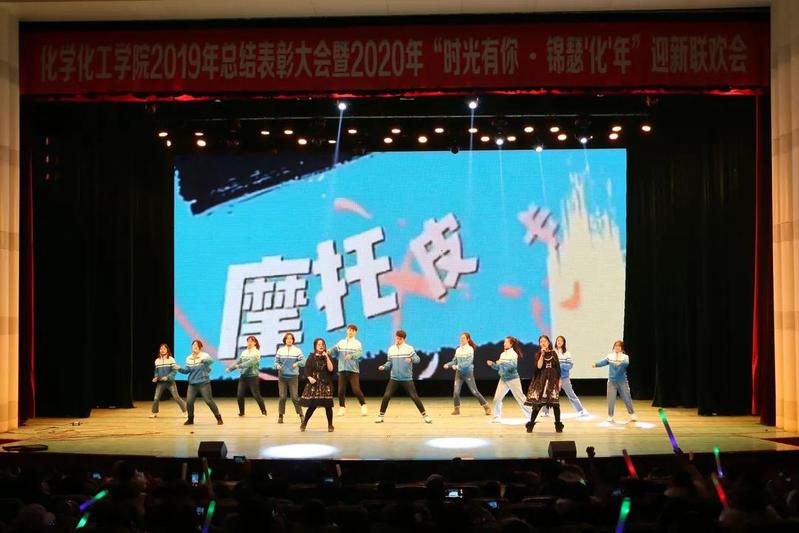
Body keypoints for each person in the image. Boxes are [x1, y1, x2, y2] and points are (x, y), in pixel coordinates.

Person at [375, 330, 432, 424]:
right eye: (397, 338)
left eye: (400, 339)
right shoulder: (391, 349)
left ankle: (425, 416)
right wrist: (384, 367)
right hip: (394, 378)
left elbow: (417, 360)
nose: (397, 340)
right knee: (386, 396)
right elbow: (389, 363)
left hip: (406, 378)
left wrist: (411, 359)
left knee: (414, 396)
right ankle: (380, 416)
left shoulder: (409, 348)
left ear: (403, 339)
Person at [175, 340, 223, 425]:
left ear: (200, 347)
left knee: (208, 401)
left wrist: (202, 360)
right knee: (189, 402)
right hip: (192, 384)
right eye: (193, 345)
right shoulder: (189, 358)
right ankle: (190, 419)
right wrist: (179, 368)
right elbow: (186, 371)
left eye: (197, 345)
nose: (195, 346)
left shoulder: (204, 355)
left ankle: (218, 417)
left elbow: (211, 361)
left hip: (203, 383)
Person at [443, 332, 491, 415]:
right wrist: (448, 364)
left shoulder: (470, 349)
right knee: (456, 392)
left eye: (463, 338)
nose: (461, 340)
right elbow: (454, 361)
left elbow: (468, 363)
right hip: (459, 374)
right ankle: (457, 409)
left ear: (468, 339)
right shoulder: (458, 349)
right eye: (461, 338)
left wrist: (457, 366)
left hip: (468, 373)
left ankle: (486, 407)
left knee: (474, 391)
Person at [487, 336, 532, 422]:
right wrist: (492, 364)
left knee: (520, 398)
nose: (504, 344)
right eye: (504, 342)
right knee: (497, 398)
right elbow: (500, 367)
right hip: (503, 379)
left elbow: (512, 366)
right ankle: (496, 417)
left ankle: (532, 415)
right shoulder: (502, 354)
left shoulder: (513, 354)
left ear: (511, 344)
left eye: (506, 342)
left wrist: (502, 362)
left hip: (513, 379)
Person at [541, 335, 589, 417]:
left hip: (564, 378)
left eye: (561, 341)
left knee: (571, 394)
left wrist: (560, 365)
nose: (559, 342)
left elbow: (569, 365)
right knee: (547, 394)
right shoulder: (552, 352)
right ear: (556, 342)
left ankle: (580, 410)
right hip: (553, 377)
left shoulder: (567, 353)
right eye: (558, 340)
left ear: (563, 343)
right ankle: (545, 411)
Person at [524, 335, 563, 432]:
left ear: (548, 342)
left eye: (544, 341)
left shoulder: (554, 353)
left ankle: (558, 426)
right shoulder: (538, 354)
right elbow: (538, 366)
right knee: (538, 404)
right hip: (542, 382)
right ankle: (530, 425)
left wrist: (559, 381)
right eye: (541, 341)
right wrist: (542, 354)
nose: (543, 343)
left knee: (555, 404)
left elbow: (558, 368)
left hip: (553, 382)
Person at [592, 340, 637, 423]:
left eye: (619, 346)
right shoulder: (610, 356)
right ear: (614, 347)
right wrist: (596, 364)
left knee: (627, 398)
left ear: (622, 348)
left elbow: (625, 364)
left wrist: (617, 365)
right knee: (611, 399)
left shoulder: (625, 357)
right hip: (611, 382)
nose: (617, 347)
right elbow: (604, 362)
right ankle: (610, 416)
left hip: (622, 382)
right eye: (616, 346)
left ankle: (632, 414)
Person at [329, 324, 367, 416]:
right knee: (341, 390)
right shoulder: (341, 342)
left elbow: (359, 353)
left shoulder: (357, 343)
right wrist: (327, 351)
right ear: (347, 331)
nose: (351, 332)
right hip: (342, 369)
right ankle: (342, 408)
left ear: (355, 332)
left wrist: (352, 356)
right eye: (349, 330)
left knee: (356, 389)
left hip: (353, 370)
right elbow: (334, 350)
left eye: (353, 331)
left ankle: (363, 406)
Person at [225, 335, 266, 417]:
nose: (249, 343)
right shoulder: (244, 352)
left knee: (256, 395)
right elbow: (238, 361)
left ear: (255, 343)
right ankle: (242, 412)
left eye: (251, 341)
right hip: (243, 377)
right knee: (239, 395)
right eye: (248, 341)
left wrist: (240, 366)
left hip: (253, 377)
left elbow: (251, 362)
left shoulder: (256, 352)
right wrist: (230, 368)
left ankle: (263, 411)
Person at [300, 338, 336, 432]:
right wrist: (309, 377)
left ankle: (330, 425)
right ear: (315, 346)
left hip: (325, 384)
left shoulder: (328, 356)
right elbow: (306, 370)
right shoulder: (311, 357)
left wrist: (327, 357)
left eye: (322, 344)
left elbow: (331, 369)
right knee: (313, 405)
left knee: (328, 405)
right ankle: (304, 422)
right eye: (319, 344)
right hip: (315, 384)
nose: (321, 346)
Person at [274, 332, 305, 424]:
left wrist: (297, 363)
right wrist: (277, 366)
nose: (289, 340)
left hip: (293, 377)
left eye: (291, 338)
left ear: (293, 340)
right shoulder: (280, 350)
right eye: (287, 338)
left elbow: (303, 361)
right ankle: (280, 416)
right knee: (282, 397)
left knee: (294, 397)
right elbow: (275, 362)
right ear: (285, 340)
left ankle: (301, 415)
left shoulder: (297, 350)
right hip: (282, 377)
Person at [149, 343, 186, 418]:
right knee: (156, 398)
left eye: (164, 349)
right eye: (161, 349)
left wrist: (168, 377)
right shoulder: (157, 360)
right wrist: (156, 377)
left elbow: (174, 371)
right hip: (160, 383)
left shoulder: (171, 359)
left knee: (176, 397)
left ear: (167, 350)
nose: (162, 350)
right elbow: (156, 371)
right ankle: (154, 412)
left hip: (170, 382)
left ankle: (185, 411)